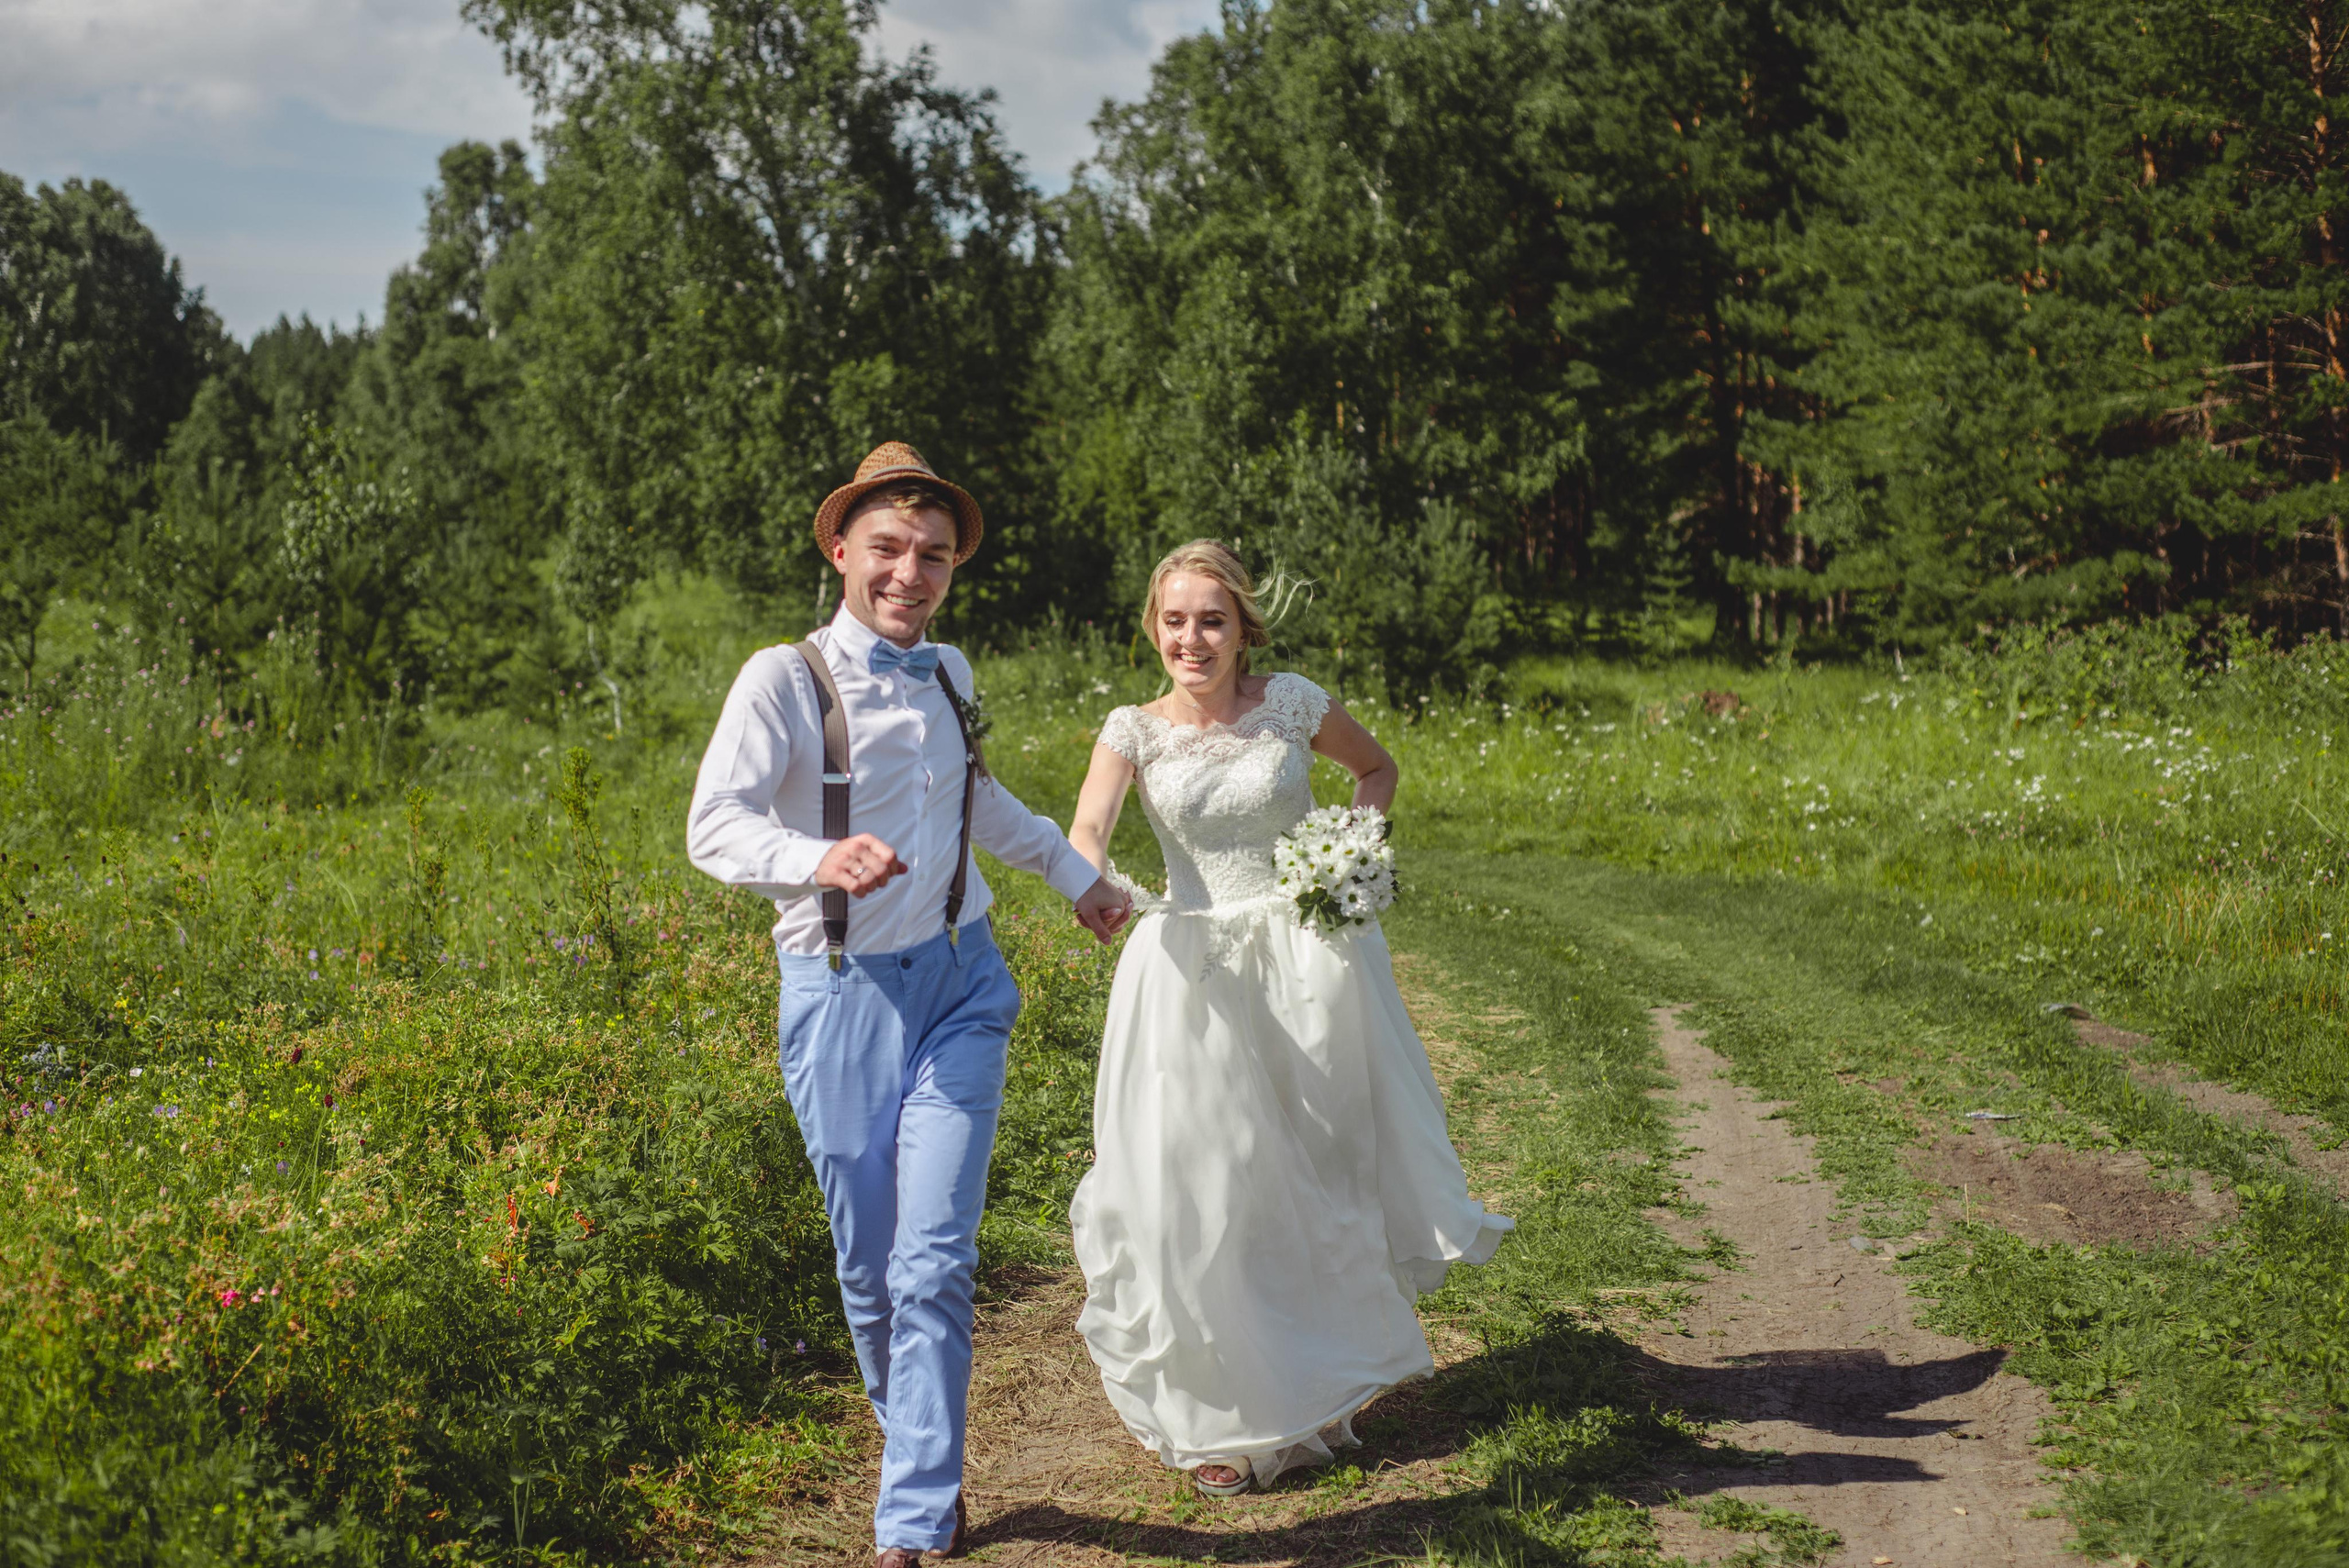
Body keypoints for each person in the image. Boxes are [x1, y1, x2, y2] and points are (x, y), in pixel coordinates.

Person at [686, 442, 1133, 1566]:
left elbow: (979, 799)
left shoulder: (950, 672)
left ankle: (914, 1514)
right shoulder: (781, 678)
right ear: (840, 550)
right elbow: (714, 825)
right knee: (870, 1260)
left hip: (961, 984)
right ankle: (913, 1440)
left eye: (932, 555)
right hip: (837, 997)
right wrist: (817, 857)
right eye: (887, 548)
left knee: (934, 1258)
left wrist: (1076, 877)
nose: (910, 573)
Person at [1065, 539, 1513, 1496]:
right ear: (1153, 626)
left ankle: (1316, 1369)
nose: (1193, 637)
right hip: (1185, 968)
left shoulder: (1294, 703)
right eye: (1175, 619)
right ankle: (1220, 1411)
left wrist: (1346, 858)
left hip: (1305, 960)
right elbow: (1088, 828)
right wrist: (1095, 881)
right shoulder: (1131, 729)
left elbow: (1377, 773)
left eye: (1212, 620)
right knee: (1205, 1177)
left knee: (1312, 1167)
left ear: (1241, 628)